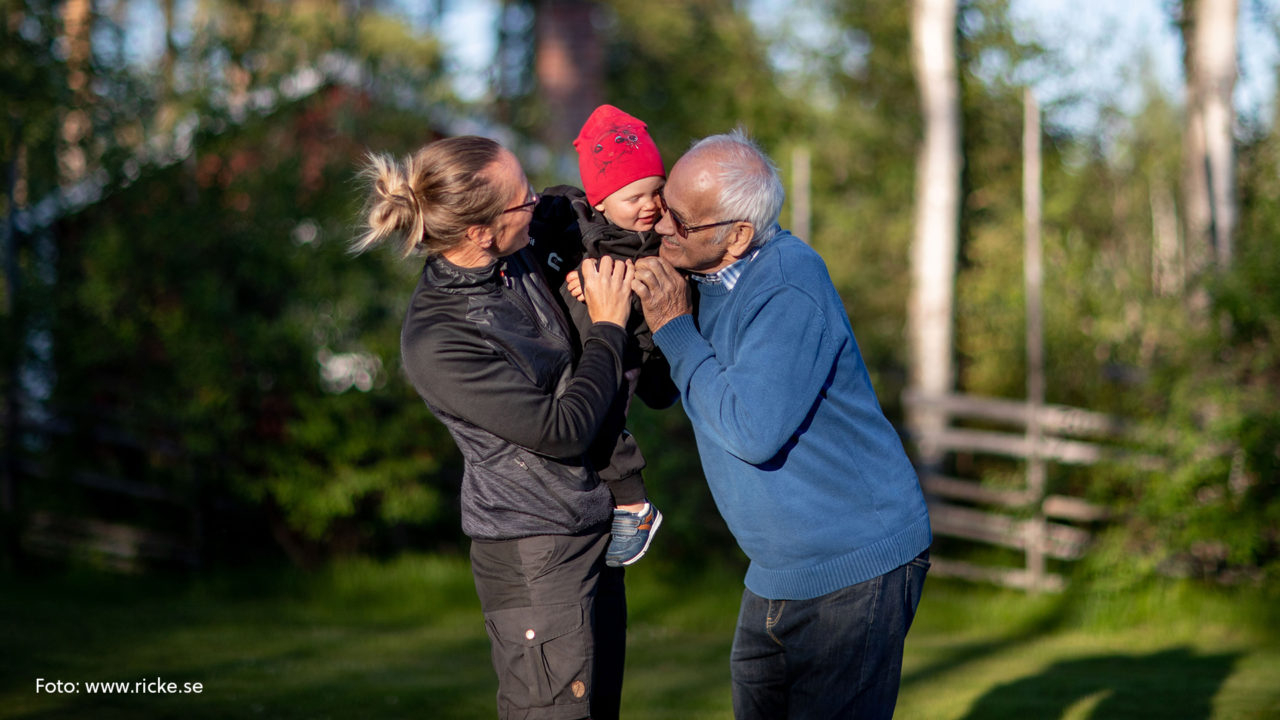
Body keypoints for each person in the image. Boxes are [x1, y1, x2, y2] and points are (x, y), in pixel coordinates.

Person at [630, 130, 933, 719]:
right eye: (665, 205)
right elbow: (673, 387)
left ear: (737, 235)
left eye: (682, 222)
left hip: (854, 565)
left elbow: (749, 429)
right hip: (776, 572)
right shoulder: (703, 277)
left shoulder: (787, 285)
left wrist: (672, 327)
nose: (662, 226)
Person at [354, 135, 635, 720]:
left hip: (589, 527)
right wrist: (608, 326)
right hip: (535, 552)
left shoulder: (516, 255)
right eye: (522, 198)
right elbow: (562, 430)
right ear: (480, 231)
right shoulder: (439, 340)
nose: (537, 201)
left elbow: (582, 211)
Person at [526, 103, 679, 567]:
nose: (650, 205)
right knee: (583, 417)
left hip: (637, 346)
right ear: (599, 202)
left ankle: (634, 503)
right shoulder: (570, 221)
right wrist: (577, 270)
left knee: (601, 415)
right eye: (635, 198)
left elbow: (665, 269)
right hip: (587, 346)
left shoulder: (660, 235)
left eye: (657, 191)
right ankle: (614, 500)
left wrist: (610, 280)